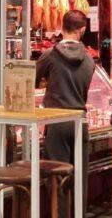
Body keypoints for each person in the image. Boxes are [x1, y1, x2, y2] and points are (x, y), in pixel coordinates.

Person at [36, 9, 94, 164]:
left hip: (57, 122)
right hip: (80, 121)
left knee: (57, 178)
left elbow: (31, 82)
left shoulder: (50, 55)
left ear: (62, 28)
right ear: (82, 30)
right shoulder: (89, 60)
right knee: (79, 180)